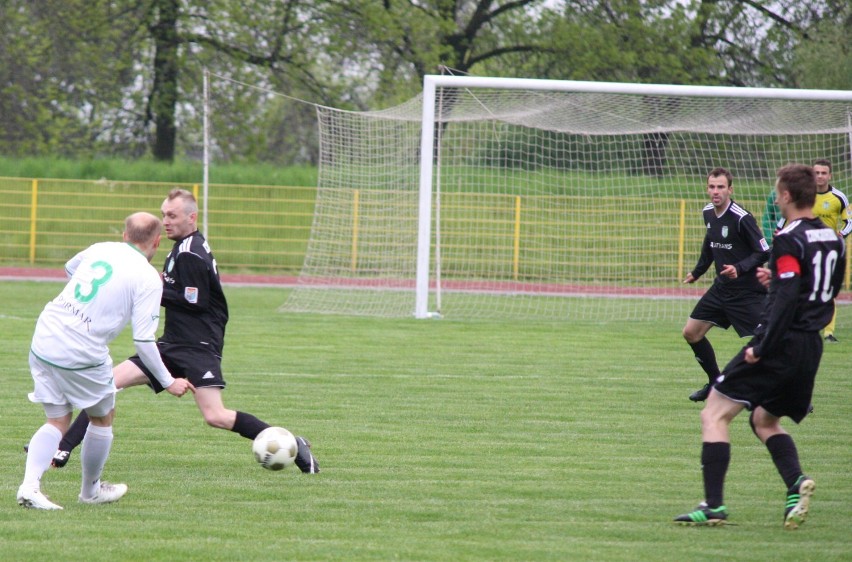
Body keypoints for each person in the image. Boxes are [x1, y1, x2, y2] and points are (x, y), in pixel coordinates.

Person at [52, 188, 320, 474]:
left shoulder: (190, 252)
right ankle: (63, 447)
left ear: (191, 217)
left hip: (198, 347)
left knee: (215, 416)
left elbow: (195, 301)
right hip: (171, 344)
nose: (166, 221)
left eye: (173, 215)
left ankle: (293, 442)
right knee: (108, 383)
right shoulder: (180, 248)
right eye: (164, 215)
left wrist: (150, 289)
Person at [674, 163, 846, 529]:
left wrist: (761, 345)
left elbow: (784, 303)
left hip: (780, 341)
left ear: (785, 195)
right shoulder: (833, 238)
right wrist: (778, 279)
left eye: (777, 190)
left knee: (714, 412)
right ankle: (796, 483)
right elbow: (827, 289)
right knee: (764, 419)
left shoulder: (786, 237)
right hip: (810, 346)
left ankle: (714, 505)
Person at [19, 212, 195, 510]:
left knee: (58, 418)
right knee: (103, 416)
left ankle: (29, 487)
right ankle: (91, 492)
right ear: (156, 242)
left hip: (46, 334)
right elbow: (143, 340)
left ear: (125, 235)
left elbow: (70, 267)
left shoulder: (102, 247)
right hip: (81, 348)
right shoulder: (149, 278)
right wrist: (168, 381)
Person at [682, 167, 770, 402]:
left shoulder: (742, 217)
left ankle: (790, 392)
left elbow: (763, 252)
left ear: (730, 189)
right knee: (691, 332)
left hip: (747, 293)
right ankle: (714, 383)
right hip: (721, 289)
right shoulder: (708, 213)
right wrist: (698, 271)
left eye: (720, 187)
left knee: (767, 342)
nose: (715, 191)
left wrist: (739, 268)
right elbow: (710, 242)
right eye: (711, 186)